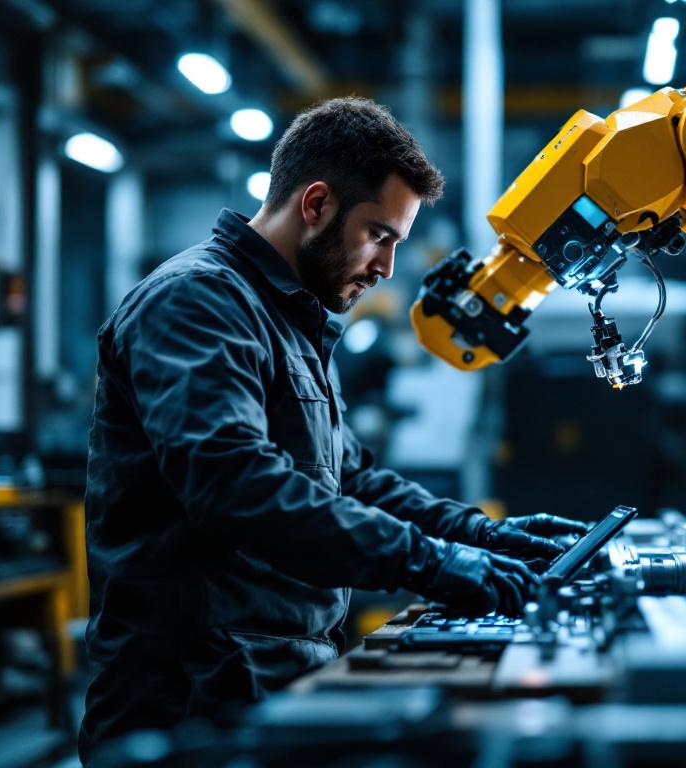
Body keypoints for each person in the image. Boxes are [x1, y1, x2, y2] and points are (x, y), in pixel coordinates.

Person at [78, 97, 588, 762]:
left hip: (270, 678)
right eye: (380, 236)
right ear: (315, 204)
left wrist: (481, 535)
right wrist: (431, 563)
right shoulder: (196, 302)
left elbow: (350, 480)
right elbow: (234, 485)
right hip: (190, 699)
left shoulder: (294, 321)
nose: (384, 269)